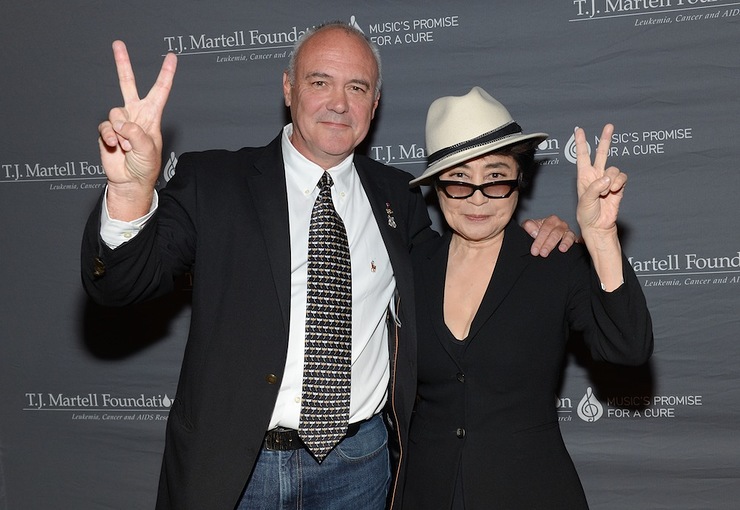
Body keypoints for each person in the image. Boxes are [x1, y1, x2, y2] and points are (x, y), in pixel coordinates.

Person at [81, 24, 575, 510]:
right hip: (235, 467)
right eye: (320, 82)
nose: (339, 102)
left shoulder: (396, 199)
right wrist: (129, 195)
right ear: (288, 88)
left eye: (356, 87)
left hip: (359, 467)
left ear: (374, 104)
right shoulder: (214, 182)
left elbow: (464, 256)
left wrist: (534, 236)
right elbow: (121, 285)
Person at [402, 87, 654, 509]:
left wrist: (601, 238)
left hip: (532, 490)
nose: (479, 196)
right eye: (460, 179)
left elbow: (628, 349)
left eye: (495, 176)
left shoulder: (551, 261)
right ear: (436, 187)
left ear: (519, 179)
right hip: (426, 493)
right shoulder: (410, 267)